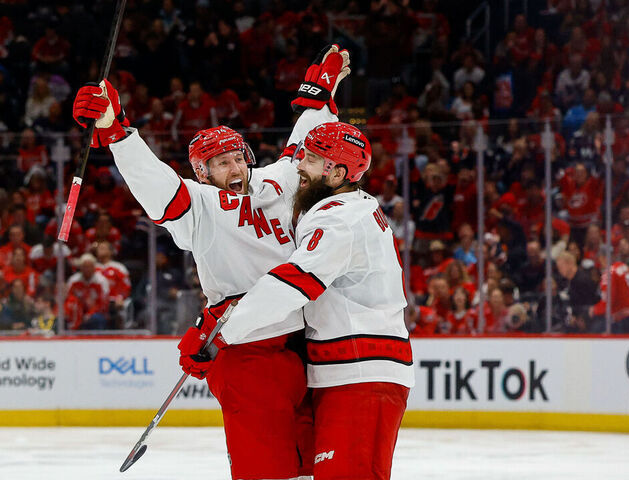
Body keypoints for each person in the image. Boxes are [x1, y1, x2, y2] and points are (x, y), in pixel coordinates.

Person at [72, 45, 351, 480]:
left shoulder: (275, 181)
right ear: (203, 173)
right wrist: (116, 131)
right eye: (222, 162)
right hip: (245, 352)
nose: (235, 167)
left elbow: (302, 146)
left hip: (303, 344)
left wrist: (320, 98)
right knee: (265, 470)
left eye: (239, 157)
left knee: (311, 465)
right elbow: (158, 185)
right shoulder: (200, 205)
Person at [213, 122, 414, 480]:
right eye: (303, 154)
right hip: (346, 371)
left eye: (312, 159)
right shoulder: (345, 208)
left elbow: (292, 285)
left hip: (361, 372)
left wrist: (224, 332)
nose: (300, 165)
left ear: (337, 172)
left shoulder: (340, 219)